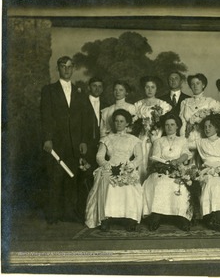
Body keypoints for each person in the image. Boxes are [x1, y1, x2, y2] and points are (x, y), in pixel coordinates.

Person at [40, 56, 88, 224]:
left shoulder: (80, 91)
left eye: (69, 67)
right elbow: (45, 116)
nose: (66, 70)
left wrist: (83, 141)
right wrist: (47, 138)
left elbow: (84, 118)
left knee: (72, 178)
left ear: (73, 69)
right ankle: (53, 215)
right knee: (55, 178)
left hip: (75, 143)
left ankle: (69, 213)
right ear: (58, 69)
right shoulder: (48, 90)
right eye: (63, 66)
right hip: (56, 142)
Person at [85, 109, 143, 231]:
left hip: (127, 167)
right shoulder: (107, 139)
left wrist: (131, 166)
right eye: (116, 121)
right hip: (110, 167)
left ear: (127, 123)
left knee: (129, 185)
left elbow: (139, 157)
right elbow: (99, 156)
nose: (119, 124)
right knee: (108, 182)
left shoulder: (134, 139)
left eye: (122, 121)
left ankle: (130, 218)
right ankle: (106, 218)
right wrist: (107, 165)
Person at [142, 113, 193, 231]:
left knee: (180, 184)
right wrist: (164, 165)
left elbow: (185, 154)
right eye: (167, 125)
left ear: (177, 126)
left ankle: (181, 216)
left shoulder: (182, 140)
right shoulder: (158, 141)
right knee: (160, 183)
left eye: (172, 124)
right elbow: (155, 157)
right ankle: (156, 215)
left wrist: (177, 161)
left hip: (178, 167)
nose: (169, 127)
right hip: (161, 168)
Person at [190, 114, 220, 231]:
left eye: (210, 126)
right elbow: (184, 145)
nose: (207, 129)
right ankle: (212, 216)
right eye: (205, 126)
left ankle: (217, 217)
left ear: (217, 128)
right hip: (206, 171)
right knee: (211, 183)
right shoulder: (201, 142)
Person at [133, 76, 172, 182]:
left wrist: (155, 134)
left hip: (157, 137)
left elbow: (166, 122)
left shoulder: (163, 105)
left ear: (156, 89)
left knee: (154, 159)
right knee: (142, 160)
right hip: (142, 137)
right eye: (147, 87)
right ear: (144, 88)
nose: (150, 90)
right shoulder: (138, 105)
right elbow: (134, 123)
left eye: (152, 87)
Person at [78, 77, 105, 217]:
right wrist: (82, 142)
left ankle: (98, 210)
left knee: (99, 175)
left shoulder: (106, 104)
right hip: (86, 144)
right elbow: (77, 125)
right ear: (89, 87)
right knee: (86, 174)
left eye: (100, 86)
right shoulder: (81, 102)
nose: (97, 89)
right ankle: (85, 210)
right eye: (94, 86)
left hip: (101, 145)